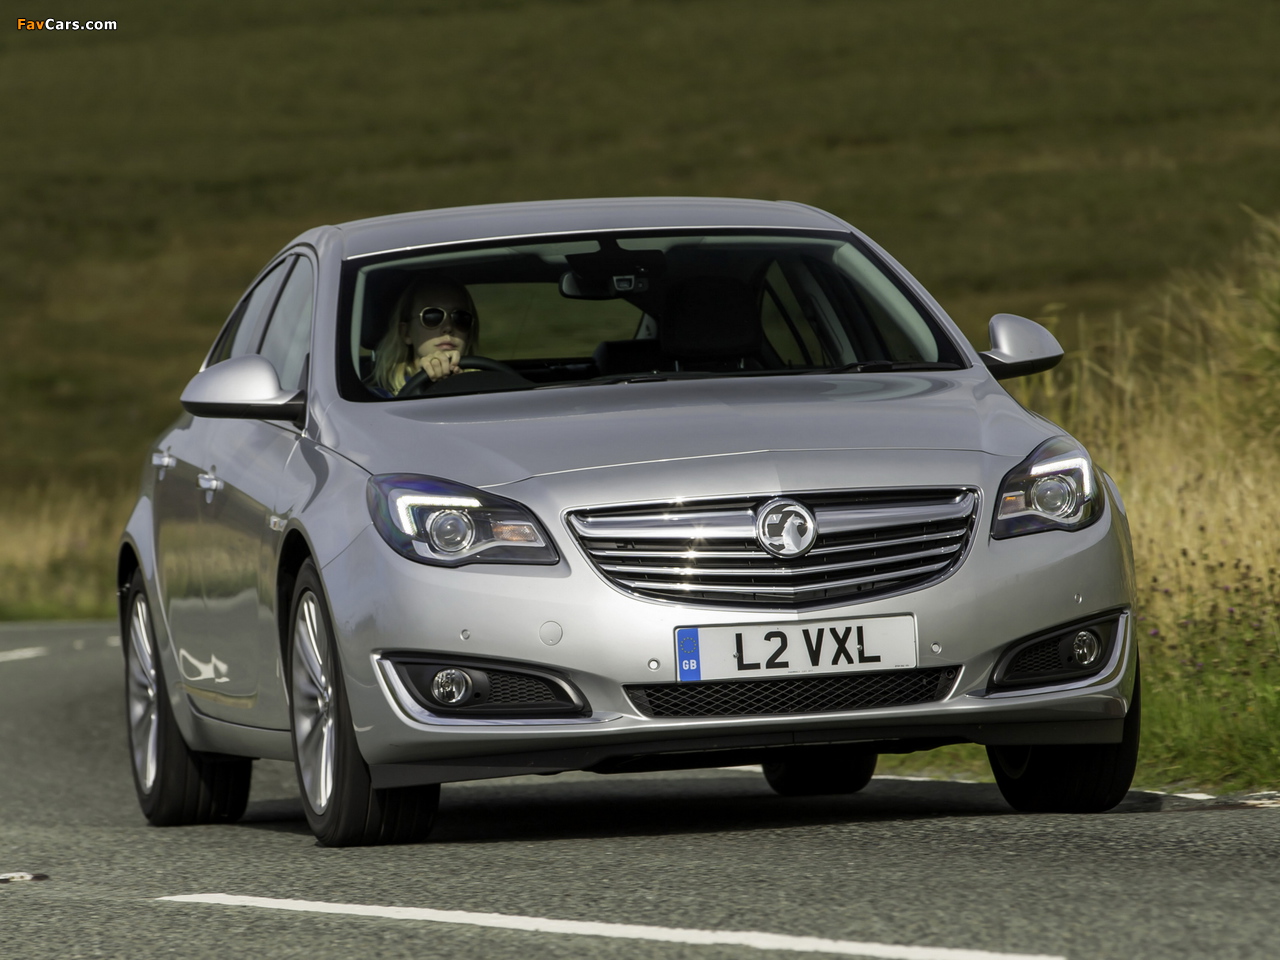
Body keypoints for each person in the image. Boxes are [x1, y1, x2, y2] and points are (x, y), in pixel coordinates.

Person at [370, 277, 479, 395]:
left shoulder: (487, 385)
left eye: (461, 318)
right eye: (432, 316)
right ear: (406, 333)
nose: (448, 327)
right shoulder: (378, 398)